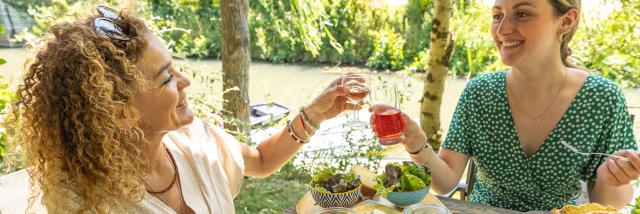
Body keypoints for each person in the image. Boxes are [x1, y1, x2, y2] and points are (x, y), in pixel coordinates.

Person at [0, 6, 363, 213]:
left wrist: (315, 113)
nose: (185, 81)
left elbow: (262, 160)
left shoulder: (195, 140)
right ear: (120, 112)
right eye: (165, 79)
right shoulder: (83, 201)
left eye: (174, 67)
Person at [377, 0, 638, 211]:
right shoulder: (479, 93)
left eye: (522, 13)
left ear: (566, 21)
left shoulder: (602, 98)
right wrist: (416, 142)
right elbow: (444, 184)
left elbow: (608, 204)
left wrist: (610, 179)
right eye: (497, 15)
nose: (501, 31)